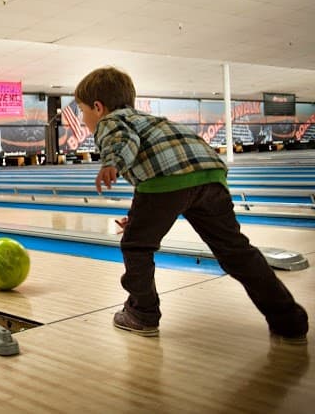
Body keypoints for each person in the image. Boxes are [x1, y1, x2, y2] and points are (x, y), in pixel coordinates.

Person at [74, 66, 308, 344]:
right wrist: (137, 218)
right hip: (211, 177)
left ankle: (142, 314)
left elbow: (123, 141)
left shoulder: (111, 121)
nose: (83, 119)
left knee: (136, 247)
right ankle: (289, 321)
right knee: (236, 252)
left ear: (98, 107)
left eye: (82, 111)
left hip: (167, 181)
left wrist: (111, 163)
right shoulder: (154, 121)